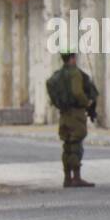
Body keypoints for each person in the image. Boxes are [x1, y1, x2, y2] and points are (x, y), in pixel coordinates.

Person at [46, 52, 98, 187]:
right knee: (75, 145)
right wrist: (87, 102)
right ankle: (77, 177)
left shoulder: (59, 74)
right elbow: (77, 92)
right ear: (72, 58)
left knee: (67, 146)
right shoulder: (75, 73)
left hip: (64, 114)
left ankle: (67, 177)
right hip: (76, 114)